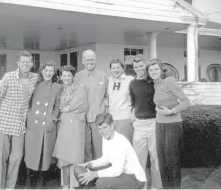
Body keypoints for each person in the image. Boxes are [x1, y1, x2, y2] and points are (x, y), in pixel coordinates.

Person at [0, 51, 38, 189]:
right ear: (18, 63)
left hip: (19, 124)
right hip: (3, 122)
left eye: (28, 62)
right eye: (23, 62)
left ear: (32, 63)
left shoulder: (35, 78)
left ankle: (9, 187)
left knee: (16, 157)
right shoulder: (9, 77)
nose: (25, 64)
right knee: (1, 158)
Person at [146, 58, 191, 189]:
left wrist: (172, 111)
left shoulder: (169, 81)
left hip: (172, 125)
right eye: (150, 70)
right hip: (159, 124)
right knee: (162, 161)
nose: (153, 72)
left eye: (156, 69)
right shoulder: (155, 84)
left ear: (161, 70)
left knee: (172, 161)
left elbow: (186, 102)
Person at [77, 112, 146, 189]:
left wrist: (94, 174)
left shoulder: (119, 141)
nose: (102, 131)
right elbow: (106, 159)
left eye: (105, 127)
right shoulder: (106, 138)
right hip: (124, 175)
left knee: (101, 183)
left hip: (136, 179)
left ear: (112, 125)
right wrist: (90, 164)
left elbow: (117, 170)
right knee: (97, 177)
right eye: (100, 129)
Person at [24, 62, 63, 188]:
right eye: (46, 70)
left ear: (54, 73)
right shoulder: (35, 85)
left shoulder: (58, 87)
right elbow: (27, 103)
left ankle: (42, 179)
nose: (48, 73)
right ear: (42, 71)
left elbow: (58, 106)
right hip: (33, 123)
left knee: (44, 153)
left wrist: (53, 118)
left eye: (51, 71)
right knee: (31, 152)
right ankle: (29, 179)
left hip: (47, 123)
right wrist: (28, 119)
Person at [53, 65, 88, 189]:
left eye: (69, 75)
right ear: (60, 77)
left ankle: (74, 184)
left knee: (75, 154)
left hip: (76, 125)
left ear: (73, 76)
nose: (67, 78)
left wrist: (68, 107)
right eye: (64, 75)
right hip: (63, 124)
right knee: (63, 155)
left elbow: (83, 104)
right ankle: (65, 184)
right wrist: (67, 107)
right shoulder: (59, 89)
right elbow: (58, 105)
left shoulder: (80, 87)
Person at [129, 57, 162, 189]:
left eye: (141, 66)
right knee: (138, 160)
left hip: (154, 123)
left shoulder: (153, 81)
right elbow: (133, 102)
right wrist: (133, 113)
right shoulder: (132, 83)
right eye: (136, 67)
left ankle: (156, 187)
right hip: (139, 125)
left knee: (156, 159)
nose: (139, 69)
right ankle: (142, 187)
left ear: (145, 66)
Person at [74, 49, 108, 162]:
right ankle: (88, 175)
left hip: (99, 119)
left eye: (92, 60)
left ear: (96, 60)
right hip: (82, 119)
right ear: (83, 61)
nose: (90, 62)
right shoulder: (77, 77)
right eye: (87, 60)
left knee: (100, 148)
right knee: (85, 149)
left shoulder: (103, 76)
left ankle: (100, 174)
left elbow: (108, 95)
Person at [108, 58, 134, 142]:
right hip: (111, 118)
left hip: (125, 117)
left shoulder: (130, 79)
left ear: (123, 68)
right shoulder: (108, 80)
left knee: (126, 143)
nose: (116, 70)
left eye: (118, 67)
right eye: (113, 68)